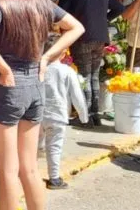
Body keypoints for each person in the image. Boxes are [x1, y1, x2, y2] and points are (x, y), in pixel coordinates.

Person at [0, 0, 85, 210]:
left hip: (6, 88)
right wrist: (47, 57)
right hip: (36, 85)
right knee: (29, 168)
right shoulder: (41, 0)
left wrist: (4, 70)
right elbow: (76, 27)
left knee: (6, 170)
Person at [57, 0, 124, 125]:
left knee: (84, 76)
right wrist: (103, 20)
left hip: (81, 37)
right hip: (100, 37)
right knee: (93, 76)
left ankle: (85, 117)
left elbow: (59, 13)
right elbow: (119, 8)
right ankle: (94, 115)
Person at [41, 43, 88, 190]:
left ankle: (26, 173)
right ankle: (54, 178)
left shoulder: (38, 69)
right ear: (62, 54)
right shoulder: (67, 71)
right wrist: (83, 116)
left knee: (33, 147)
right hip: (58, 115)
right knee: (54, 147)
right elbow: (77, 95)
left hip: (37, 114)